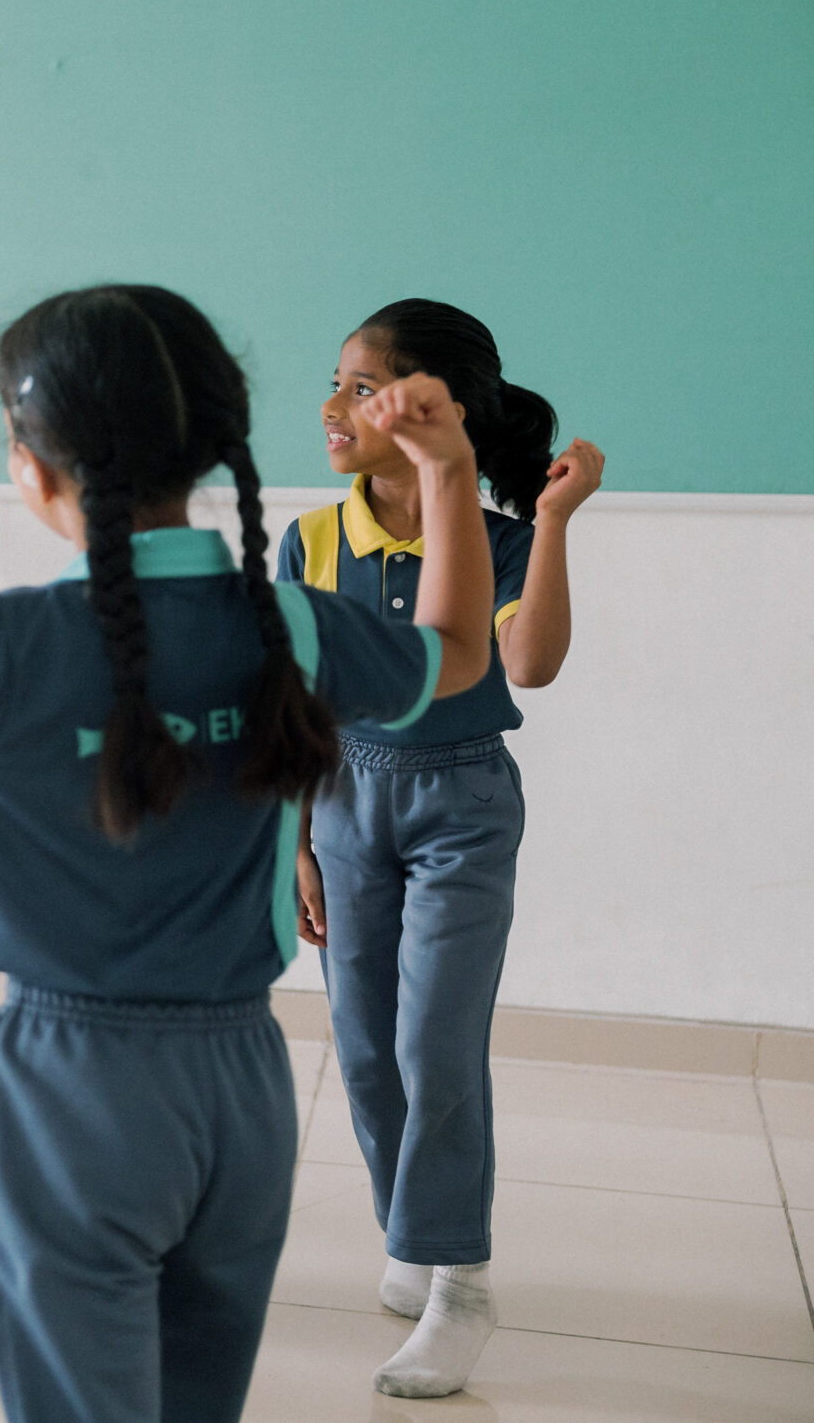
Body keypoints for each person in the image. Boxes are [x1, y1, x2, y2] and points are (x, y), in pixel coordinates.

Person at [0, 284, 494, 1423]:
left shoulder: (11, 644)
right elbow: (460, 652)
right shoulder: (282, 624)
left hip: (66, 1085)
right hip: (243, 1089)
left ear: (29, 471)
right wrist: (446, 473)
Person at [282, 299, 604, 1400]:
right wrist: (296, 840)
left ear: (432, 407)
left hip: (460, 802)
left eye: (360, 386)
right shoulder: (313, 538)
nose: (332, 406)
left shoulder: (496, 535)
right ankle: (412, 1237)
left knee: (433, 1045)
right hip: (339, 798)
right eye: (334, 381)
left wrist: (554, 523)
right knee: (364, 1051)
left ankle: (460, 1282)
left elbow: (533, 664)